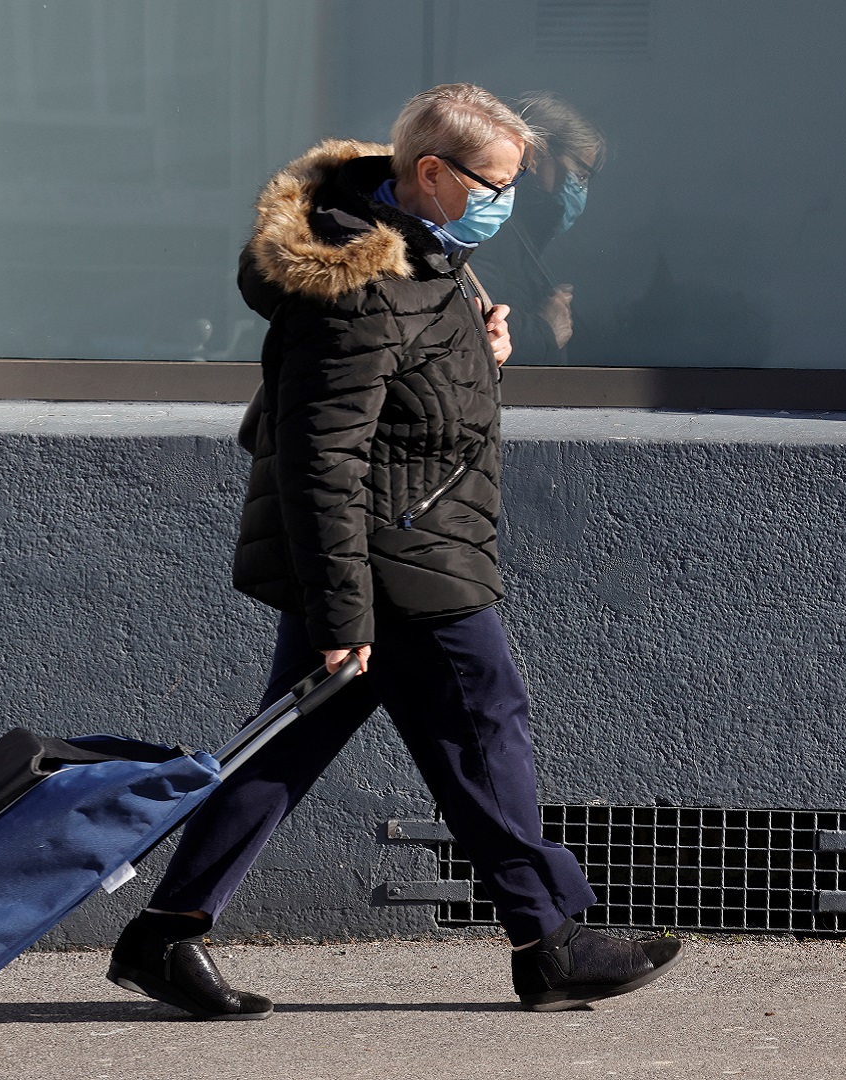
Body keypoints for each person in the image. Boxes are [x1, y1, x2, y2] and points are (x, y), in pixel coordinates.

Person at [105, 84, 681, 1019]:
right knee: (485, 723)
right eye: (496, 183)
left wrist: (478, 349)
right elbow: (320, 456)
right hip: (394, 554)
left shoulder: (425, 257)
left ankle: (164, 933)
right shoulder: (360, 289)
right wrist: (342, 611)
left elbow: (405, 384)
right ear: (431, 174)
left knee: (287, 744)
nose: (509, 201)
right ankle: (553, 941)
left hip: (396, 543)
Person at [469, 92, 606, 364]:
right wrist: (545, 330)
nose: (581, 190)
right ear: (537, 156)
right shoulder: (490, 228)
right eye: (579, 175)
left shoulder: (526, 237)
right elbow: (473, 322)